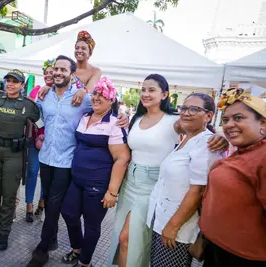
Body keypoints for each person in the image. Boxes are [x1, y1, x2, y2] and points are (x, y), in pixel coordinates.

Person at [107, 74, 228, 267]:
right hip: (130, 181)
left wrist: (222, 136)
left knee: (128, 238)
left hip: (154, 183)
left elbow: (204, 130)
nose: (146, 94)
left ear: (164, 94)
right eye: (143, 90)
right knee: (124, 238)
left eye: (152, 90)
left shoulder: (175, 119)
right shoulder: (135, 118)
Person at [26, 55, 129, 267]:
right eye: (56, 69)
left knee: (54, 203)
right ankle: (54, 239)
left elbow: (107, 104)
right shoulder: (45, 96)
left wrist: (123, 116)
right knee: (48, 200)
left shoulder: (82, 99)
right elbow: (38, 117)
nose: (58, 73)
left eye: (64, 70)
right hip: (46, 158)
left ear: (72, 75)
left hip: (66, 162)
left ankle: (43, 247)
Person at [61, 77, 131, 267]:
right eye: (95, 93)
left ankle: (85, 262)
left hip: (97, 184)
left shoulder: (115, 123)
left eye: (103, 95)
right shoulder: (85, 116)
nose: (97, 98)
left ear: (111, 100)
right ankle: (77, 249)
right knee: (69, 213)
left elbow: (122, 158)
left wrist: (112, 191)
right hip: (77, 180)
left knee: (91, 224)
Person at [147, 93, 223, 267]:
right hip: (164, 219)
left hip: (178, 229)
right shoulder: (187, 139)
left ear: (209, 116)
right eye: (184, 108)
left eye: (195, 109)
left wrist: (173, 226)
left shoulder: (207, 145)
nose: (187, 113)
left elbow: (197, 191)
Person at [200, 88, 266, 267]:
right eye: (226, 120)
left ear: (263, 124)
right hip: (219, 250)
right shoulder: (244, 150)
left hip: (244, 257)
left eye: (238, 118)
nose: (229, 125)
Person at [0, 69, 40, 251]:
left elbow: (41, 123)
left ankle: (4, 232)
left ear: (22, 85)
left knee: (9, 195)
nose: (10, 84)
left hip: (15, 153)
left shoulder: (28, 105)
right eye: (8, 81)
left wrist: (39, 138)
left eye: (15, 81)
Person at [25, 59, 55, 223]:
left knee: (46, 175)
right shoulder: (36, 90)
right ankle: (29, 205)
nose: (49, 75)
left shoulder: (60, 92)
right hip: (35, 139)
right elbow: (29, 112)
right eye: (46, 72)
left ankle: (42, 203)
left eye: (52, 72)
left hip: (52, 142)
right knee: (31, 172)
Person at [38, 30, 101, 106]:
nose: (79, 50)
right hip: (61, 105)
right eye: (77, 48)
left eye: (83, 48)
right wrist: (48, 87)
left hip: (81, 108)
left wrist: (83, 91)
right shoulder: (67, 67)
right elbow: (58, 84)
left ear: (90, 53)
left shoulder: (95, 71)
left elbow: (89, 89)